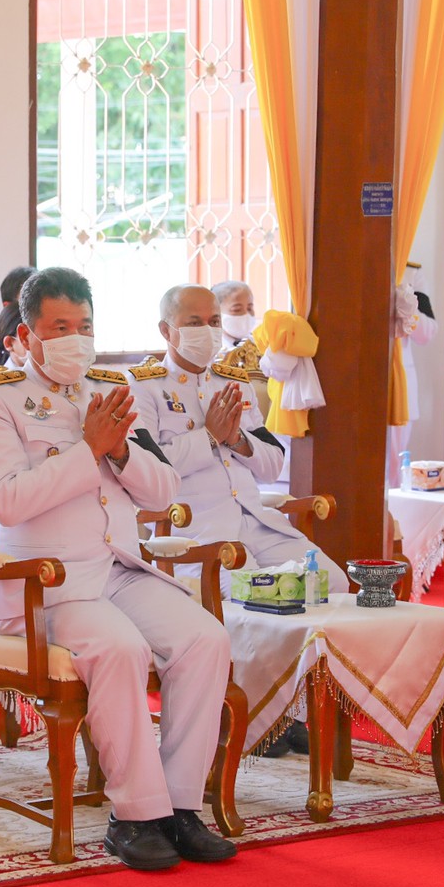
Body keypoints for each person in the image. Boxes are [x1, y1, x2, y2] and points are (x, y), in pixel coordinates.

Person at [0, 266, 236, 871]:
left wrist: (116, 447)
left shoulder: (108, 390)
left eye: (84, 326)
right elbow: (8, 500)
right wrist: (88, 450)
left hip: (118, 570)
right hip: (49, 584)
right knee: (119, 650)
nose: (75, 340)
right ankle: (135, 815)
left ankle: (181, 805)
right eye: (59, 327)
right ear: (24, 335)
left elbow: (161, 493)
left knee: (205, 638)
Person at [130, 283, 343, 758]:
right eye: (193, 323)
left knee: (331, 581)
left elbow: (271, 461)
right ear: (167, 330)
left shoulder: (233, 378)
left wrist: (237, 441)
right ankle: (255, 719)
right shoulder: (143, 387)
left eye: (211, 321)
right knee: (255, 599)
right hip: (195, 536)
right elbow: (151, 470)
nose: (207, 331)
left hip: (256, 523)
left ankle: (288, 709)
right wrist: (208, 436)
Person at [384, 261, 439, 485]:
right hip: (355, 377)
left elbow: (428, 333)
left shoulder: (410, 271)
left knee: (394, 467)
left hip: (399, 382)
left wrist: (408, 310)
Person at [211, 279, 257, 353]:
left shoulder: (259, 344)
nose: (246, 314)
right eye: (237, 310)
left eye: (249, 308)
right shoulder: (213, 350)